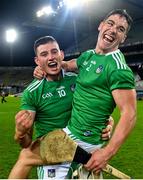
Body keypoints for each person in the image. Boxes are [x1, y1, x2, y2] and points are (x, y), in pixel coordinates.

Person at [33, 9, 136, 175]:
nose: (113, 30)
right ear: (100, 25)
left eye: (120, 29)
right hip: (71, 131)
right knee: (34, 158)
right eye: (110, 23)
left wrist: (107, 152)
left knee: (29, 157)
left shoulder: (118, 68)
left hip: (83, 139)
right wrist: (44, 68)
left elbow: (129, 114)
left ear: (123, 38)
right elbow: (69, 64)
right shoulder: (88, 56)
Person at [8, 36, 113, 179]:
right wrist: (20, 133)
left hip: (81, 149)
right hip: (51, 153)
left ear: (61, 55)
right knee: (25, 156)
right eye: (44, 54)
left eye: (54, 52)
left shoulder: (78, 81)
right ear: (37, 61)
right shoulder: (32, 92)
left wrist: (109, 124)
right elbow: (27, 144)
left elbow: (98, 112)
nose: (51, 57)